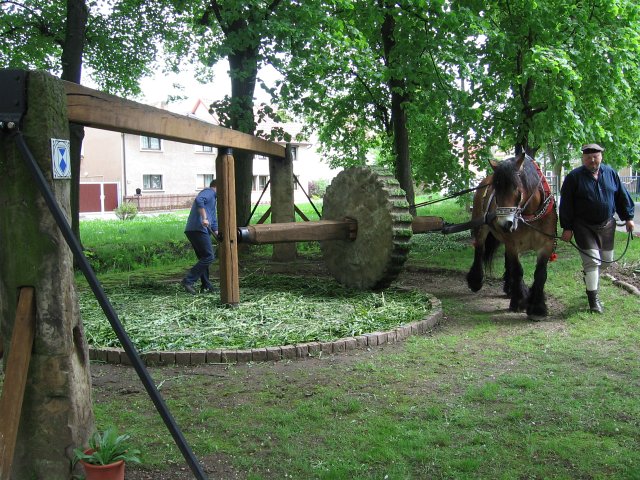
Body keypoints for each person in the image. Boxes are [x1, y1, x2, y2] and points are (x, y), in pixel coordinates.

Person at [559, 143, 635, 313]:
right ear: (583, 159)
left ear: (601, 156)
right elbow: (566, 205)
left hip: (607, 225)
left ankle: (589, 276)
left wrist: (629, 217)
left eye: (595, 156)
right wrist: (567, 227)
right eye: (588, 157)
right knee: (592, 261)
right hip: (583, 226)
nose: (592, 160)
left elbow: (621, 196)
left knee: (607, 260)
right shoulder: (573, 177)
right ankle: (594, 301)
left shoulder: (611, 173)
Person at [181, 179, 219, 294]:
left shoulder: (213, 199)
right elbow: (199, 200)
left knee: (204, 258)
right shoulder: (209, 192)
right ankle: (188, 280)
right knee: (209, 256)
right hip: (198, 229)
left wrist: (217, 234)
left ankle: (206, 285)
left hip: (193, 229)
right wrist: (204, 218)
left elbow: (213, 219)